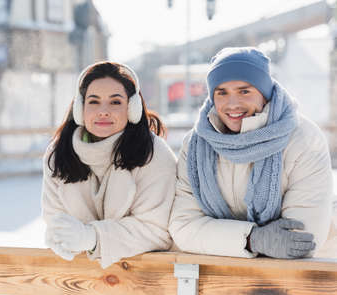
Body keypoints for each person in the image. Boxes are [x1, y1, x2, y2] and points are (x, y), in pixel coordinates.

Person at [169, 47, 334, 259]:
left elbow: (301, 239)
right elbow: (183, 226)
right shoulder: (195, 146)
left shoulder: (302, 139)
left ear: (264, 93)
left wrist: (218, 239)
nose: (232, 104)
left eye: (244, 91)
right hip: (221, 281)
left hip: (307, 278)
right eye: (222, 92)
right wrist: (251, 239)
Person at [42, 61, 177, 268]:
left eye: (115, 102)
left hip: (146, 278)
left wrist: (92, 237)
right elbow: (56, 218)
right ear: (80, 108)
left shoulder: (156, 156)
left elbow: (157, 231)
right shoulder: (58, 155)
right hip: (80, 281)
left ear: (132, 109)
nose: (103, 111)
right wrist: (58, 235)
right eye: (94, 102)